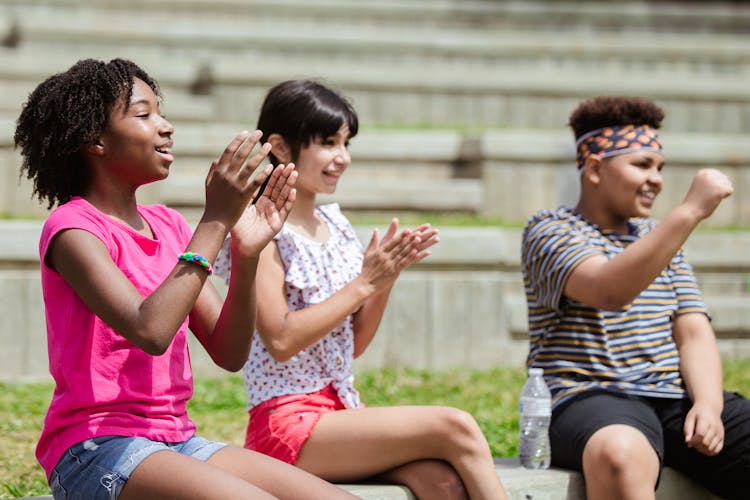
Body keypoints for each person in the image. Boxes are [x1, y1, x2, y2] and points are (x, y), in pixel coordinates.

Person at [15, 58, 357, 500]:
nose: (166, 126)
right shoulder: (73, 229)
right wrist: (215, 220)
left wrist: (246, 253)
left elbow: (230, 352)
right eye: (144, 115)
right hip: (96, 448)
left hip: (177, 440)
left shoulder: (170, 226)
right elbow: (150, 330)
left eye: (162, 112)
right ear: (95, 139)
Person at [214, 79, 508, 500]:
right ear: (279, 146)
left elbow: (350, 347)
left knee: (441, 482)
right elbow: (280, 339)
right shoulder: (260, 229)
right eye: (329, 143)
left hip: (340, 413)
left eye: (346, 143)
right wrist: (364, 283)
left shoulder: (336, 224)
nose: (343, 158)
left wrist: (383, 280)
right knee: (456, 425)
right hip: (285, 422)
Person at [521, 95, 750, 499]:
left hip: (672, 397)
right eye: (642, 165)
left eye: (660, 167)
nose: (657, 179)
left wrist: (709, 405)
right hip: (589, 395)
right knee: (620, 453)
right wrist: (690, 212)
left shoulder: (660, 239)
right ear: (594, 168)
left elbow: (693, 333)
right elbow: (608, 290)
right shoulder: (550, 231)